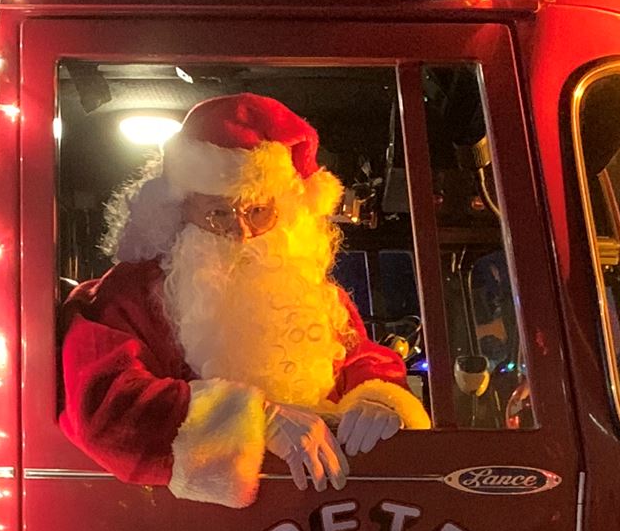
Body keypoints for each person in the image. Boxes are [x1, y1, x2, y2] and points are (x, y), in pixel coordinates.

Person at [57, 92, 430, 506]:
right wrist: (257, 419)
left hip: (316, 514)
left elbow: (362, 361)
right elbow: (106, 408)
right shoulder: (126, 296)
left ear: (285, 211)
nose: (242, 233)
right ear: (180, 211)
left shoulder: (317, 294)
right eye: (219, 214)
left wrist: (379, 399)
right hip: (183, 526)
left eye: (258, 212)